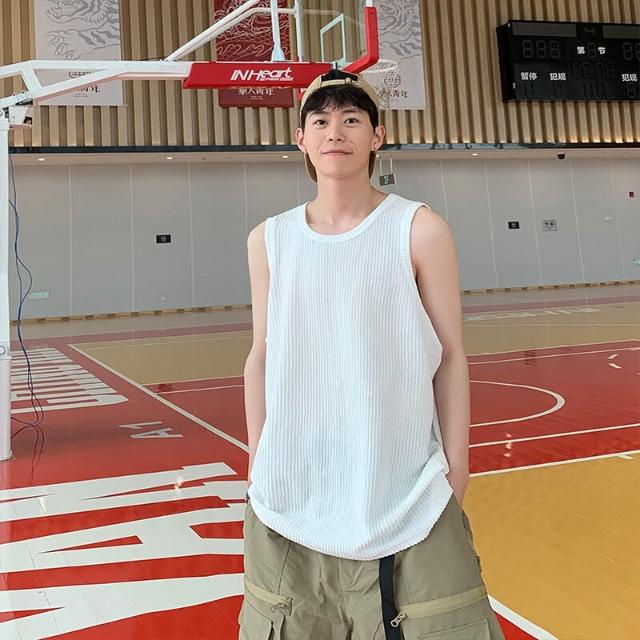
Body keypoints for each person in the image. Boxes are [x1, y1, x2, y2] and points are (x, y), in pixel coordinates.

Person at [240, 68, 505, 639]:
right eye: (320, 120)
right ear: (300, 139)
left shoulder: (419, 228)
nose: (335, 131)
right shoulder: (269, 239)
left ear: (377, 135)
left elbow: (450, 355)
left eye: (352, 119)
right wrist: (260, 459)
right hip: (289, 492)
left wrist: (457, 468)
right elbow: (261, 355)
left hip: (406, 489)